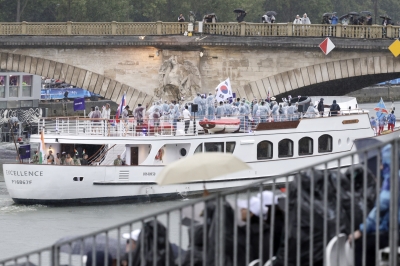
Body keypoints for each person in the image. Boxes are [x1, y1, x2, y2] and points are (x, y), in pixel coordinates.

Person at [348, 144, 400, 266]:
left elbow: (381, 207)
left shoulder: (392, 181)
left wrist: (361, 230)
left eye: (383, 163)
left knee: (362, 244)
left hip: (395, 233)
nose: (381, 167)